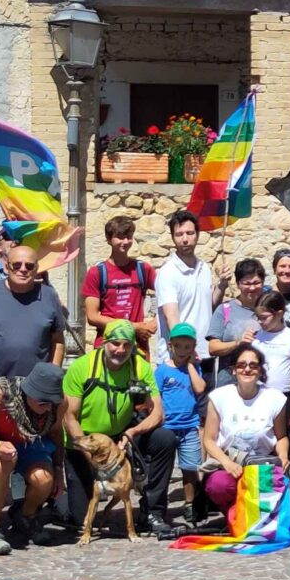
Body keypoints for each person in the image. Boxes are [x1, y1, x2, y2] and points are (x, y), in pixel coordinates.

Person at [0, 242, 67, 535]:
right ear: (6, 266)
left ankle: (24, 513)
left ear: (37, 268)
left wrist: (52, 375)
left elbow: (57, 340)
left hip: (34, 394)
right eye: (16, 265)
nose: (22, 270)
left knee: (30, 448)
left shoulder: (48, 296)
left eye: (29, 266)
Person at [61, 319, 174, 539]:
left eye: (126, 345)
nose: (120, 350)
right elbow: (69, 417)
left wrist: (132, 432)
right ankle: (58, 502)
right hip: (84, 441)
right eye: (115, 343)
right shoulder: (82, 367)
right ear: (104, 343)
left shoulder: (139, 367)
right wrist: (90, 454)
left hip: (121, 437)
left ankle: (153, 512)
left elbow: (158, 413)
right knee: (79, 519)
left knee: (165, 439)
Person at [0, 362, 66, 557]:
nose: (47, 409)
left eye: (51, 403)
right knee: (4, 462)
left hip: (31, 444)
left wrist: (59, 470)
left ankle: (26, 516)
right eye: (42, 403)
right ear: (29, 393)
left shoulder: (59, 404)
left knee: (44, 479)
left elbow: (56, 435)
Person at [198, 345, 290, 515]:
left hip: (262, 464)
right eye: (241, 365)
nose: (247, 369)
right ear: (234, 370)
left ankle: (256, 517)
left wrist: (283, 456)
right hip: (229, 462)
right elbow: (209, 440)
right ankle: (234, 516)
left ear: (260, 370)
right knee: (218, 485)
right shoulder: (219, 397)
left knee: (271, 487)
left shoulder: (275, 398)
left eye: (253, 365)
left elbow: (281, 437)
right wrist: (227, 463)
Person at [155, 322, 209, 528]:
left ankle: (190, 504)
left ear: (193, 348)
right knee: (165, 469)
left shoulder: (193, 369)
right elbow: (156, 397)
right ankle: (159, 504)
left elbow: (200, 388)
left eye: (187, 347)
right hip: (168, 427)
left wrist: (191, 366)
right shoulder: (162, 370)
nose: (182, 351)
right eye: (178, 346)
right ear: (171, 346)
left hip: (189, 426)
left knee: (190, 468)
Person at [81, 215, 157, 348]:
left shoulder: (143, 269)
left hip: (137, 346)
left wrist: (154, 324)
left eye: (129, 237)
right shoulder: (97, 273)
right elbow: (92, 316)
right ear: (109, 239)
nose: (125, 241)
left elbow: (169, 297)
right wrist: (133, 327)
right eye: (120, 237)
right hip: (108, 344)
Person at [156, 210, 218, 370]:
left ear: (197, 235)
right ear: (172, 237)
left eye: (190, 233)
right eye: (179, 234)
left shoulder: (204, 268)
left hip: (205, 354)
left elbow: (209, 305)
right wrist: (186, 350)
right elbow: (171, 316)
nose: (185, 239)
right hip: (178, 358)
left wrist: (223, 285)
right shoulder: (168, 273)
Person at [208, 257, 267, 387]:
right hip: (228, 383)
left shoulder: (270, 310)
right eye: (246, 283)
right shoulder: (225, 309)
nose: (252, 288)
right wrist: (238, 343)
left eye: (256, 283)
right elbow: (212, 348)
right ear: (238, 283)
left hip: (262, 384)